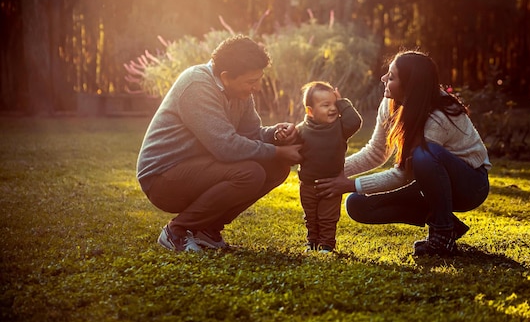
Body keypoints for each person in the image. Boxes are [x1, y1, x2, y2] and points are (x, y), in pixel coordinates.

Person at [314, 50, 491, 256]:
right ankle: (449, 225)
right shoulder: (390, 103)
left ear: (410, 85)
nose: (383, 79)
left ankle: (442, 234)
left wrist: (349, 184)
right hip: (429, 184)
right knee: (357, 204)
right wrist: (332, 169)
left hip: (469, 185)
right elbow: (376, 152)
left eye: (391, 77)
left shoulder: (439, 116)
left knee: (424, 154)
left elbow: (404, 174)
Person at [137, 35, 302, 252]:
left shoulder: (239, 92)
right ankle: (175, 231)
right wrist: (277, 152)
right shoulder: (197, 85)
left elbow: (250, 134)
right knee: (250, 173)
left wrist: (275, 135)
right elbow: (226, 147)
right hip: (163, 178)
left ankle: (206, 231)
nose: (257, 87)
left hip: (203, 166)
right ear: (225, 77)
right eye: (252, 81)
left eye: (259, 79)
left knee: (275, 168)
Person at [289, 82, 362, 253]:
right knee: (311, 217)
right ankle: (312, 242)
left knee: (328, 217)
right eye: (325, 105)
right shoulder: (301, 131)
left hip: (332, 183)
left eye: (334, 104)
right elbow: (290, 149)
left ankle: (327, 245)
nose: (333, 109)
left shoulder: (340, 127)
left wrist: (341, 101)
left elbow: (355, 121)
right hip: (307, 185)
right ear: (310, 111)